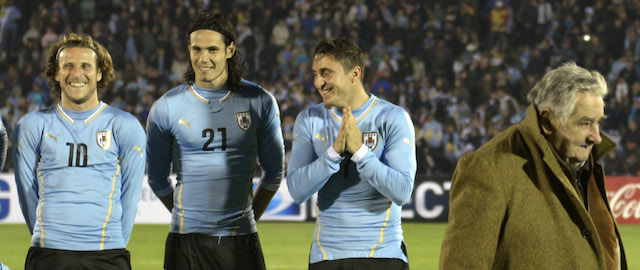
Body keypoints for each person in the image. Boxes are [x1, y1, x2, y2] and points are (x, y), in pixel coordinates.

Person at [440, 62, 627, 270]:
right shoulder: (490, 168)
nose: (597, 137)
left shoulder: (585, 167)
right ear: (547, 121)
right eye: (585, 123)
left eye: (598, 122)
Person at [146, 13, 284, 270]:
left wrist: (247, 218)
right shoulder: (166, 107)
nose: (203, 58)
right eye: (196, 49)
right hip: (185, 244)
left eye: (212, 49)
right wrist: (187, 217)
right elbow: (156, 178)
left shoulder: (259, 101)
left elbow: (274, 173)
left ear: (230, 49)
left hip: (241, 242)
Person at [12, 33, 146, 269]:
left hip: (108, 254)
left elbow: (131, 195)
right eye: (68, 66)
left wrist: (113, 245)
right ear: (56, 73)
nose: (76, 74)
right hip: (49, 254)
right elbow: (26, 193)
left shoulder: (125, 125)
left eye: (85, 66)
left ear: (99, 72)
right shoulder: (33, 125)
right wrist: (50, 240)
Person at [287, 37, 416, 270]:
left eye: (326, 73)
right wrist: (333, 154)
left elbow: (402, 191)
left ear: (354, 74)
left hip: (384, 256)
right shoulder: (309, 119)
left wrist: (360, 152)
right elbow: (296, 190)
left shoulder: (392, 117)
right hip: (327, 257)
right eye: (315, 73)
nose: (318, 82)